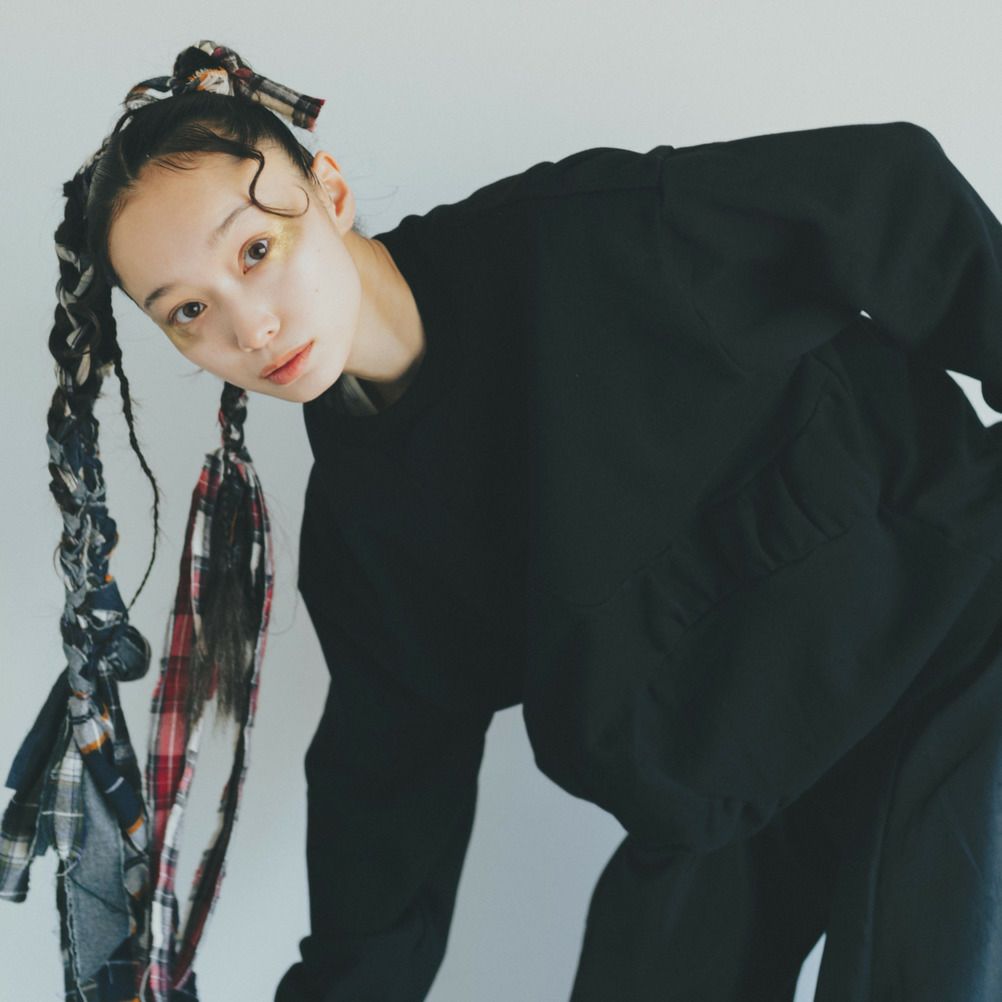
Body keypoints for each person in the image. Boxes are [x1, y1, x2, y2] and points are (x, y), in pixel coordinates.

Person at [5, 37, 1002, 1002]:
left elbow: (888, 191)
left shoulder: (589, 239)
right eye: (189, 311)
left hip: (955, 640)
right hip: (732, 798)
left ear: (331, 192)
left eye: (256, 250)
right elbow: (385, 810)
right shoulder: (365, 541)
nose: (249, 326)